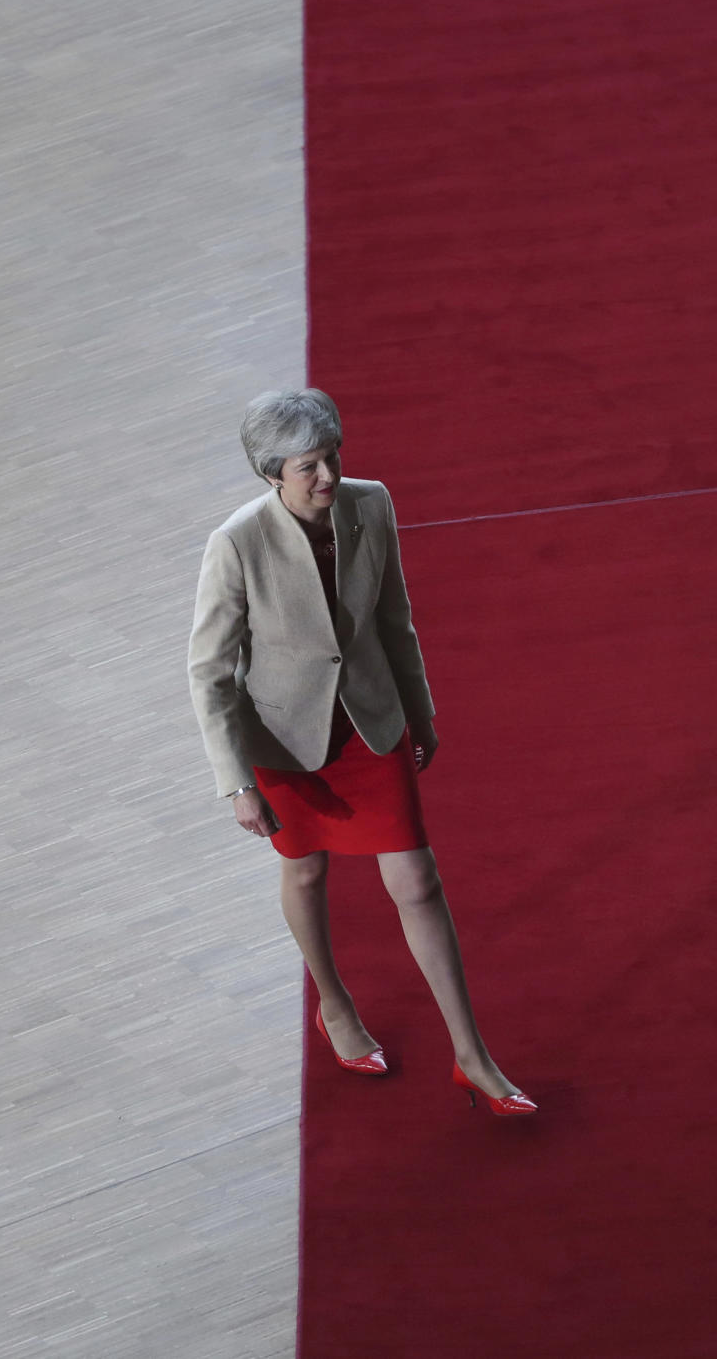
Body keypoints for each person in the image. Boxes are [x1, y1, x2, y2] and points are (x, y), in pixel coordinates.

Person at [188, 389, 536, 1115]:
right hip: (283, 742)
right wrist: (234, 782)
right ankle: (335, 1005)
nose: (329, 475)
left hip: (370, 725)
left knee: (417, 880)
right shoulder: (236, 543)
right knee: (307, 874)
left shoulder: (371, 504)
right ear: (272, 475)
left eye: (333, 455)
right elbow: (210, 670)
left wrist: (421, 712)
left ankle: (473, 1057)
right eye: (309, 466)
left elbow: (395, 618)